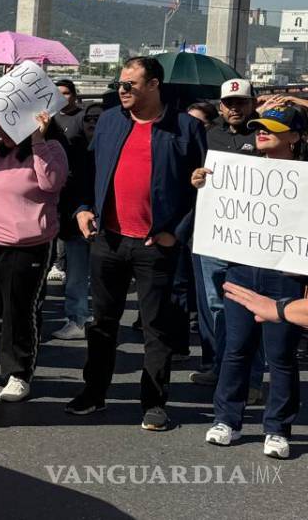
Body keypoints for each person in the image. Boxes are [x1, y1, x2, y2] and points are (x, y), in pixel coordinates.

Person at [66, 56, 207, 431]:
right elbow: (88, 173)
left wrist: (175, 232)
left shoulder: (186, 128)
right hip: (108, 240)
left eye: (130, 85)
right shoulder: (110, 121)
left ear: (154, 85)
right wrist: (82, 208)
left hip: (155, 244)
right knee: (102, 324)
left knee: (157, 327)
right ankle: (93, 393)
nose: (122, 91)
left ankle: (155, 402)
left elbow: (203, 189)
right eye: (119, 85)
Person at [195, 103, 306, 459]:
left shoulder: (304, 178)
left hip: (285, 275)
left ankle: (277, 428)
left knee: (281, 356)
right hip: (242, 270)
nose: (261, 131)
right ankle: (227, 419)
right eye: (259, 126)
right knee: (236, 349)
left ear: (295, 137)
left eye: (272, 128)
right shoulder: (238, 172)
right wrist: (201, 183)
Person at [0, 109, 68, 401]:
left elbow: (51, 182)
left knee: (20, 311)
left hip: (27, 245)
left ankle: (19, 373)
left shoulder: (51, 148)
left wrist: (37, 139)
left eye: (7, 123)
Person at [190, 79, 261, 389]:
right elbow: (189, 174)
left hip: (254, 238)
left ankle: (254, 379)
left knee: (254, 308)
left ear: (253, 104)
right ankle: (220, 369)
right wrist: (194, 177)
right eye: (229, 102)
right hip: (214, 235)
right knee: (216, 304)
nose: (235, 107)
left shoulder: (264, 135)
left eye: (241, 102)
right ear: (220, 106)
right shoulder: (206, 136)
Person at [51, 79, 94, 341]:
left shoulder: (81, 121)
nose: (62, 97)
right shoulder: (51, 121)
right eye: (57, 92)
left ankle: (78, 317)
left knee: (79, 268)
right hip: (63, 203)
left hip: (82, 203)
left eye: (66, 93)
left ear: (75, 97)